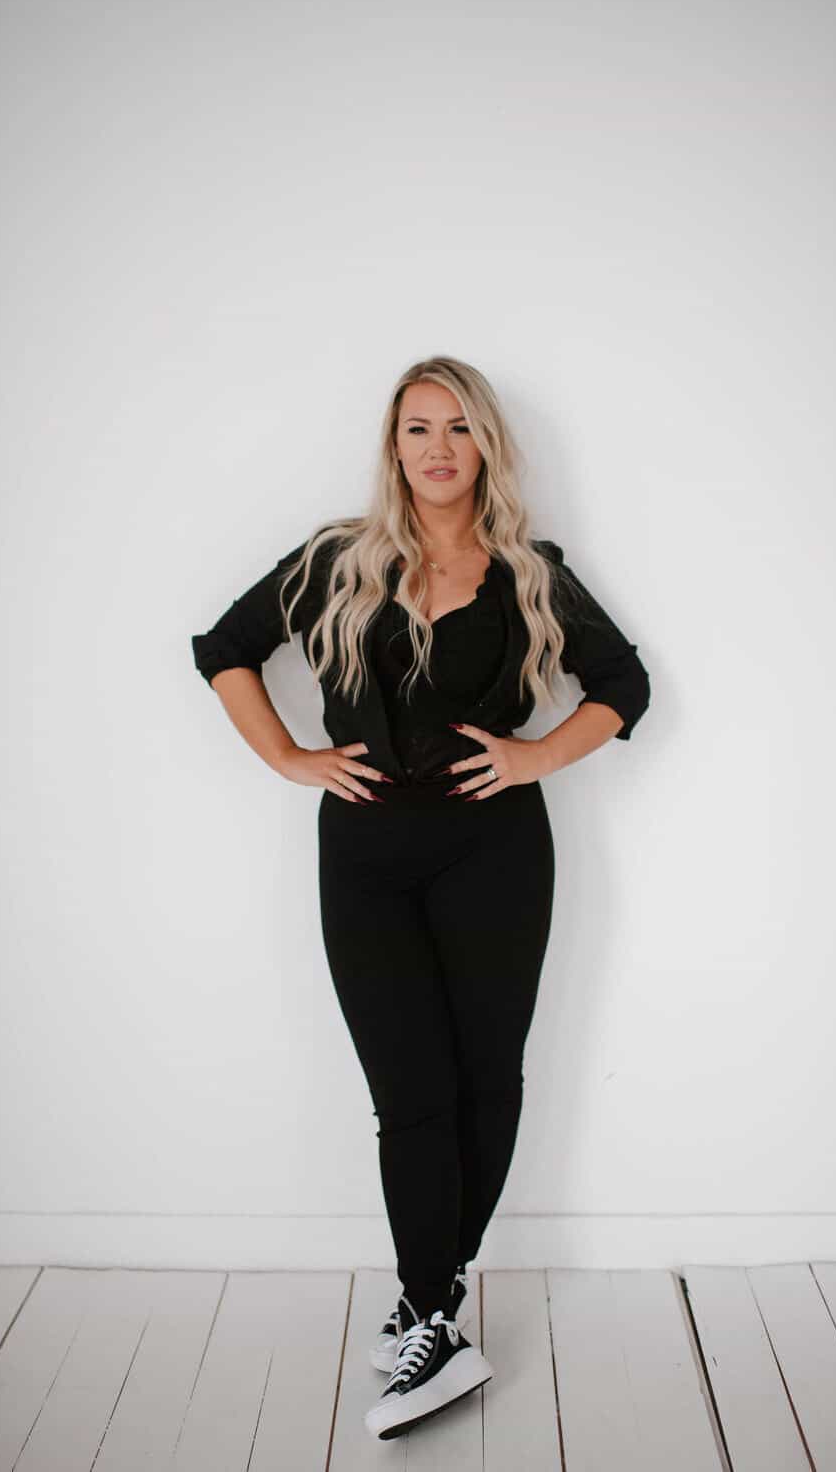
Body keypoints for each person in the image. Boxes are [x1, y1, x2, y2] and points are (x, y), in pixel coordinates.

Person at [190, 355, 651, 1440]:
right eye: (415, 429)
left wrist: (537, 755)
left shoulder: (530, 571)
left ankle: (425, 1307)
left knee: (486, 1078)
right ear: (392, 447)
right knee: (410, 1091)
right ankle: (434, 1308)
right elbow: (224, 651)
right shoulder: (334, 561)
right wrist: (289, 758)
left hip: (495, 852)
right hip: (363, 854)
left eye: (456, 427)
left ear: (485, 443)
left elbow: (624, 686)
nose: (436, 447)